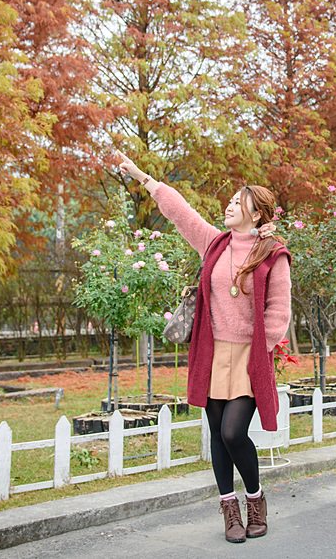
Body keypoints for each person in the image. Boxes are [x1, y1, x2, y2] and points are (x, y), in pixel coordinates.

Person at [116, 151, 292, 544]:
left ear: (257, 215)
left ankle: (255, 499)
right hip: (213, 354)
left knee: (234, 433)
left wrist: (261, 349)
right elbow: (182, 213)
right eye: (228, 202)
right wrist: (142, 176)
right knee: (216, 433)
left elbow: (280, 311)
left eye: (237, 203)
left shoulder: (272, 255)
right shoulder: (214, 244)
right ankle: (230, 511)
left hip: (249, 357)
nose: (228, 207)